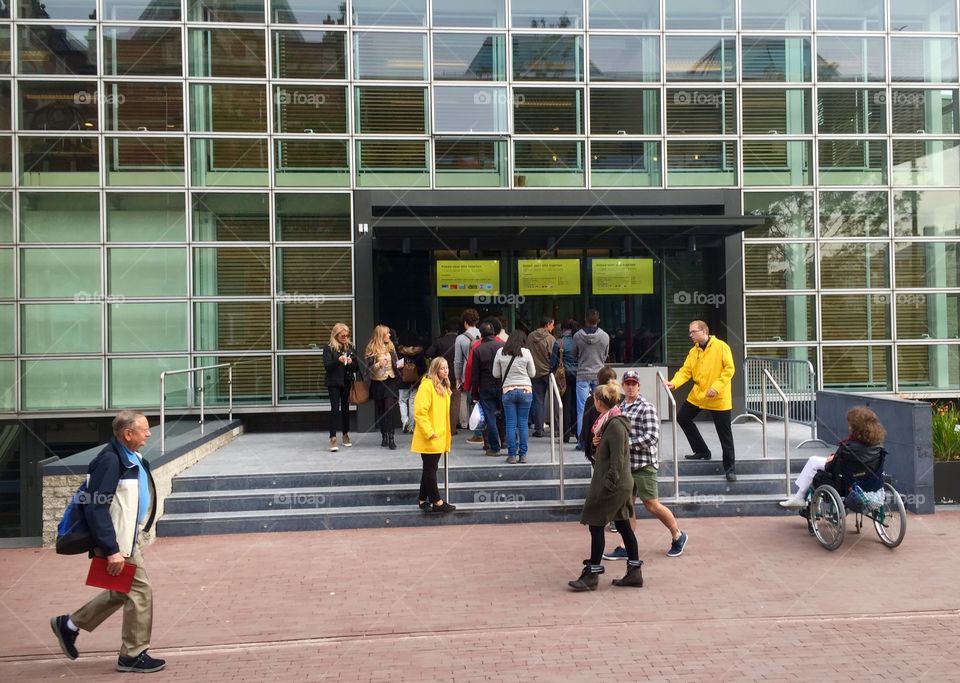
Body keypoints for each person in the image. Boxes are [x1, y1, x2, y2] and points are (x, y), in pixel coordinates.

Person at [50, 411, 165, 673]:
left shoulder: (129, 457)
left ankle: (68, 625)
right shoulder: (110, 461)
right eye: (144, 429)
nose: (149, 434)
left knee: (121, 589)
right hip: (116, 541)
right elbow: (95, 507)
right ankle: (133, 655)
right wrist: (112, 550)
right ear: (127, 433)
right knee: (140, 592)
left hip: (127, 537)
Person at [602, 370, 688, 561]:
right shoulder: (620, 407)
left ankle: (678, 535)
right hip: (626, 466)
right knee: (627, 506)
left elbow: (651, 437)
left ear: (639, 386)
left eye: (634, 384)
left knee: (651, 504)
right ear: (623, 386)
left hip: (644, 465)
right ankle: (627, 545)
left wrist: (625, 445)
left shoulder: (646, 407)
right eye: (628, 383)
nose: (631, 387)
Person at [568, 381, 644, 591]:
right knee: (622, 525)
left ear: (600, 402)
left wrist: (609, 484)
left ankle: (592, 573)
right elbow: (608, 454)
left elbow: (618, 459)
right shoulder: (608, 423)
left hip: (614, 484)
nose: (593, 402)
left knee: (596, 523)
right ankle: (634, 572)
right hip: (615, 482)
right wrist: (597, 446)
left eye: (595, 399)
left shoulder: (616, 425)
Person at [665, 320, 737, 482]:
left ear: (704, 331)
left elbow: (729, 369)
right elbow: (685, 371)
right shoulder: (693, 351)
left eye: (693, 332)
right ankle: (702, 450)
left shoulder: (721, 347)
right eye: (690, 332)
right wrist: (674, 382)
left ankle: (730, 469)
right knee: (683, 417)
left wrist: (716, 387)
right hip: (698, 394)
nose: (690, 335)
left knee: (724, 433)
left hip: (718, 397)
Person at [780, 406, 886, 508]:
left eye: (850, 424)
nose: (849, 427)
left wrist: (833, 458)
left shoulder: (849, 446)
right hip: (870, 480)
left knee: (813, 462)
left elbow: (835, 463)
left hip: (848, 480)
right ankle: (813, 502)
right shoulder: (878, 445)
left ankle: (800, 497)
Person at [411, 357, 457, 513]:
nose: (446, 370)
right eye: (442, 368)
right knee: (431, 469)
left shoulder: (442, 386)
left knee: (430, 467)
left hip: (439, 435)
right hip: (431, 435)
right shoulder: (427, 386)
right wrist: (429, 432)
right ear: (435, 369)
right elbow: (420, 412)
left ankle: (422, 499)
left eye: (447, 367)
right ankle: (437, 502)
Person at [493, 329, 537, 464]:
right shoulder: (527, 353)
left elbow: (495, 374)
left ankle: (511, 455)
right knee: (523, 424)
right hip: (525, 390)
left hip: (508, 391)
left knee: (510, 424)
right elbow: (533, 373)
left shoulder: (500, 352)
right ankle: (522, 455)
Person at [572, 309, 610, 450]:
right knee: (602, 408)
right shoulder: (605, 336)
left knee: (582, 408)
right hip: (599, 375)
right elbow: (605, 355)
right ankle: (599, 438)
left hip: (582, 375)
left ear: (585, 320)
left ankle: (582, 441)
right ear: (598, 320)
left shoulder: (577, 336)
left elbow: (574, 354)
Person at [469, 320, 506, 456]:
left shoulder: (478, 350)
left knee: (490, 416)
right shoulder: (503, 346)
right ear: (494, 332)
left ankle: (494, 447)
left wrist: (474, 393)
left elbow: (475, 374)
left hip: (485, 387)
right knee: (506, 414)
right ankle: (507, 442)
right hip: (502, 385)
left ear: (481, 334)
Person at [322, 322, 358, 452]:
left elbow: (356, 367)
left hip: (346, 381)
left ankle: (345, 434)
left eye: (346, 335)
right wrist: (338, 360)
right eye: (342, 335)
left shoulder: (350, 347)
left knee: (346, 408)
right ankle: (333, 437)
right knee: (334, 409)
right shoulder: (329, 348)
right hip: (333, 382)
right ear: (336, 335)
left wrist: (349, 362)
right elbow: (327, 366)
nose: (345, 337)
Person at [365, 324, 402, 449]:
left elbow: (396, 362)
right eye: (387, 333)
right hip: (378, 382)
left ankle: (392, 437)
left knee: (389, 408)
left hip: (390, 381)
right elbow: (368, 369)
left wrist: (399, 365)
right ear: (381, 335)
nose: (390, 335)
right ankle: (384, 435)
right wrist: (378, 364)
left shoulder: (391, 347)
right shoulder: (371, 348)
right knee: (381, 410)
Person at [526, 315, 560, 438]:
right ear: (547, 324)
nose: (553, 326)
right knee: (555, 400)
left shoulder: (530, 337)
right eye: (552, 324)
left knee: (538, 401)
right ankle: (556, 429)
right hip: (549, 373)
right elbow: (553, 357)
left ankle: (539, 429)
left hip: (535, 373)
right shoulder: (550, 339)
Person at [425, 320, 460, 436]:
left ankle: (442, 426)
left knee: (439, 401)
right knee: (455, 402)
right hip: (456, 375)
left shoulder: (439, 341)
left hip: (439, 376)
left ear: (446, 330)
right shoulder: (460, 341)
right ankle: (452, 428)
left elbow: (428, 353)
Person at [579, 366, 618, 464]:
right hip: (614, 448)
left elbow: (586, 425)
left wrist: (586, 444)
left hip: (596, 448)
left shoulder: (591, 400)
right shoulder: (621, 399)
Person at [454, 309, 482, 444]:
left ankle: (466, 424)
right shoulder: (483, 334)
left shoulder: (460, 338)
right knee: (479, 400)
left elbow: (458, 361)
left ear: (465, 322)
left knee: (465, 397)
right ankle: (480, 428)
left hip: (467, 371)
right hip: (481, 372)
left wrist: (458, 377)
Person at [396, 330, 427, 435]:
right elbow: (423, 367)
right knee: (412, 403)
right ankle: (411, 426)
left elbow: (397, 366)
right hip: (416, 380)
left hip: (402, 380)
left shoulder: (399, 352)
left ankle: (404, 421)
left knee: (402, 401)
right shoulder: (420, 352)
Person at [559, 319, 579, 443]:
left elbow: (553, 362)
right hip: (579, 375)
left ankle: (565, 435)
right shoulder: (580, 340)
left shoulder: (560, 342)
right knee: (578, 405)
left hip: (565, 376)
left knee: (565, 405)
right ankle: (577, 433)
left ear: (563, 329)